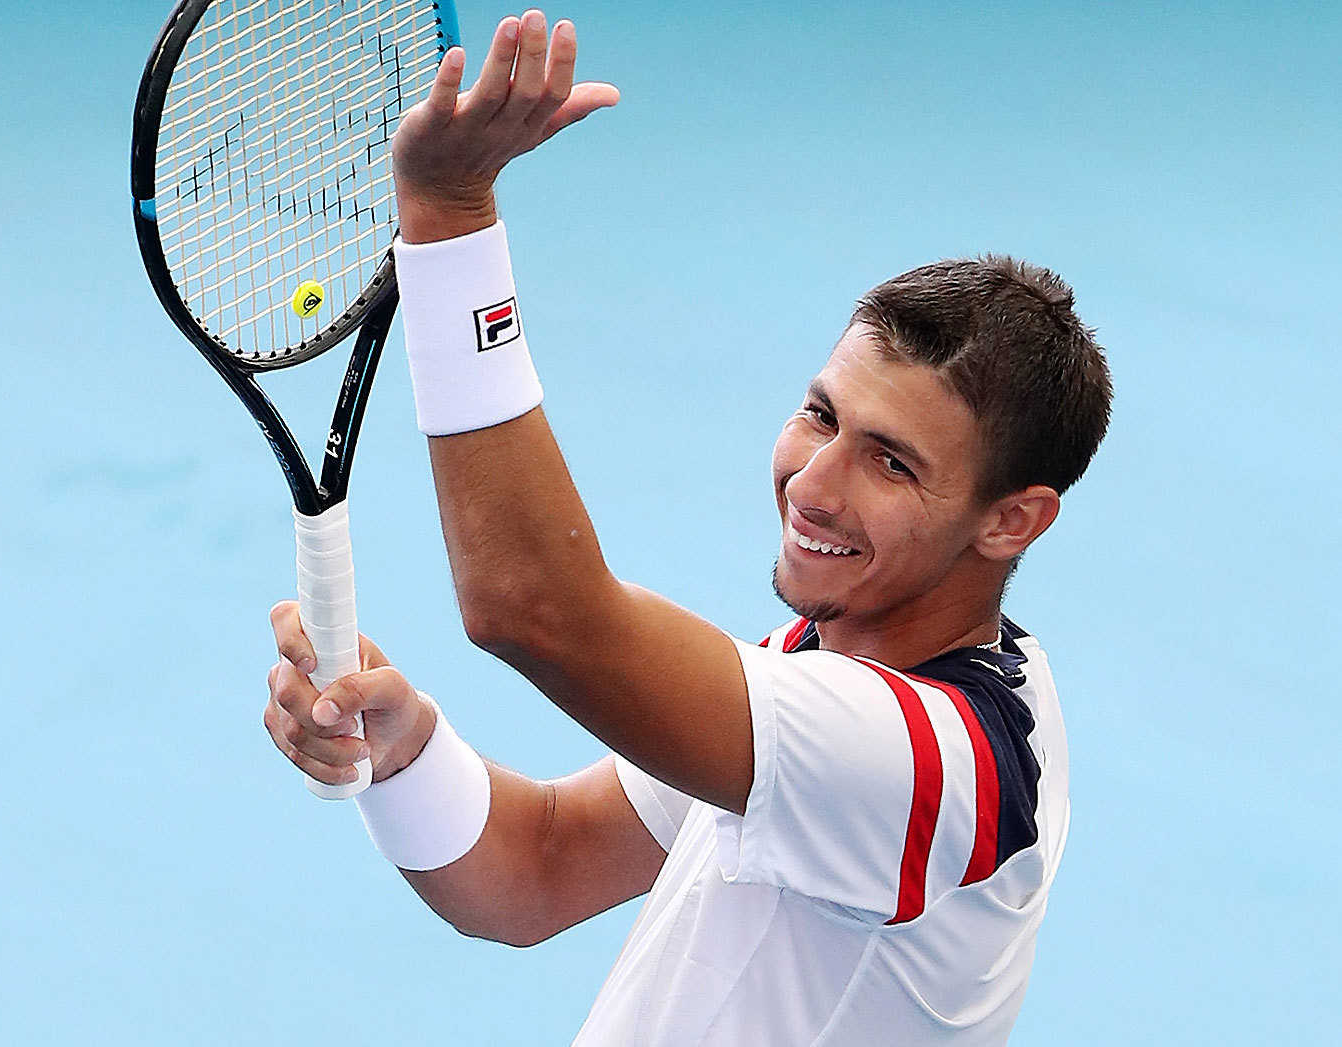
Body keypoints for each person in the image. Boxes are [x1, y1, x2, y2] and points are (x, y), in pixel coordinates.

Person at [264, 10, 1112, 1045]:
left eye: (892, 462)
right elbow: (536, 866)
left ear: (1012, 521)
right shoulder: (846, 675)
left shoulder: (918, 761)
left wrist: (448, 216)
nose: (815, 484)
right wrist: (402, 753)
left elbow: (537, 609)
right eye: (821, 416)